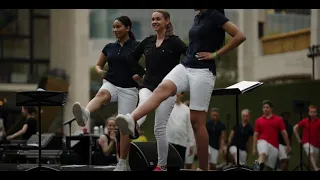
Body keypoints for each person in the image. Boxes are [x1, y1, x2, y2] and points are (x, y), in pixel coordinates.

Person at [115, 9, 246, 171]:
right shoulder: (198, 18)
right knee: (162, 88)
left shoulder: (215, 16)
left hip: (203, 70)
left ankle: (203, 168)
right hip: (186, 65)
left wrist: (215, 54)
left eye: (158, 19)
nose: (154, 21)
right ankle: (131, 119)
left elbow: (240, 36)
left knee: (196, 122)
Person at [115, 9, 188, 171]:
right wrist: (141, 73)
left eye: (158, 19)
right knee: (143, 106)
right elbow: (130, 57)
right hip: (147, 85)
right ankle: (131, 123)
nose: (154, 21)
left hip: (168, 89)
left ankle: (161, 166)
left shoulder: (175, 42)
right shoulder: (148, 41)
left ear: (167, 21)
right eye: (153, 19)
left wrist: (183, 78)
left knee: (159, 128)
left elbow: (188, 57)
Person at [71, 16, 145, 167]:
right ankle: (85, 114)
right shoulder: (109, 47)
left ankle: (123, 163)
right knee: (101, 95)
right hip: (111, 82)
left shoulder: (137, 46)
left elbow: (147, 64)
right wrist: (100, 72)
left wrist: (142, 74)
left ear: (128, 28)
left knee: (124, 127)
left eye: (118, 27)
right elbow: (98, 65)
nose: (115, 30)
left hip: (129, 89)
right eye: (113, 27)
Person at [252, 100, 291, 171]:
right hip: (262, 141)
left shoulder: (278, 119)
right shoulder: (259, 120)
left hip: (274, 145)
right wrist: (254, 148)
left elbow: (284, 133)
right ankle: (255, 168)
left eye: (267, 107)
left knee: (269, 167)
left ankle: (257, 166)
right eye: (264, 107)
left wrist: (288, 145)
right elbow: (256, 135)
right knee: (263, 154)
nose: (265, 109)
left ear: (271, 109)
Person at [166, 92, 195, 163]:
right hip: (169, 141)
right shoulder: (167, 107)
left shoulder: (186, 109)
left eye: (178, 93)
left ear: (182, 95)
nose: (176, 95)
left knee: (180, 164)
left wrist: (191, 144)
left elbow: (189, 127)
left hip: (182, 142)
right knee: (169, 164)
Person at [293, 105, 320, 171]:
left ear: (316, 113)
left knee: (313, 162)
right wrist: (299, 139)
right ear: (308, 113)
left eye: (314, 112)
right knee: (311, 153)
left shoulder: (319, 121)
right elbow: (295, 128)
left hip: (316, 144)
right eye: (311, 112)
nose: (313, 114)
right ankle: (316, 168)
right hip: (306, 142)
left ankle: (314, 168)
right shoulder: (305, 121)